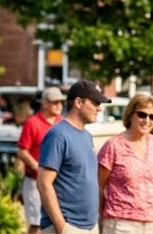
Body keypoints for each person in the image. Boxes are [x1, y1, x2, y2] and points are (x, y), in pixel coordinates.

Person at [39, 80, 110, 234]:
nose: (99, 108)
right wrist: (62, 227)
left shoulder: (87, 136)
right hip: (67, 226)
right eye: (95, 103)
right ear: (78, 102)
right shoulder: (58, 135)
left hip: (89, 226)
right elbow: (44, 183)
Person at [99, 92, 153, 233]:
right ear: (130, 115)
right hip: (121, 224)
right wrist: (99, 220)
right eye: (142, 114)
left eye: (152, 116)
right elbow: (99, 187)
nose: (147, 120)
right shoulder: (113, 146)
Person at [19, 86, 68, 234]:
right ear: (45, 104)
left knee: (57, 223)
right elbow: (22, 151)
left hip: (58, 183)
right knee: (36, 224)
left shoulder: (63, 123)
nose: (59, 105)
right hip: (35, 181)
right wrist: (37, 166)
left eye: (61, 102)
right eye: (55, 102)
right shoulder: (32, 123)